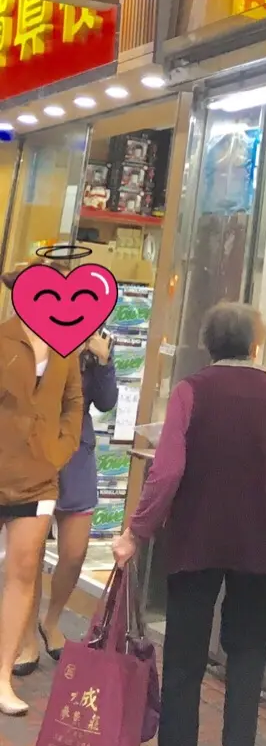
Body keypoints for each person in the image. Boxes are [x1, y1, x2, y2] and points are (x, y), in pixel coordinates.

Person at [112, 302, 266, 746]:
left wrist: (136, 532)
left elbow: (166, 472)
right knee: (247, 656)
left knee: (184, 658)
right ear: (255, 344)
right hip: (263, 543)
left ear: (207, 344)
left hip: (196, 539)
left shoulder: (191, 391)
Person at [0, 270, 83, 716]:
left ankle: (2, 676)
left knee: (23, 571)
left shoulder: (66, 347)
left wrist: (63, 447)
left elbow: (74, 401)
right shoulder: (3, 339)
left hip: (39, 476)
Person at [16, 330, 118, 672]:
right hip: (33, 451)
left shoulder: (99, 340)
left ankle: (52, 619)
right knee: (30, 553)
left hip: (76, 456)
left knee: (74, 553)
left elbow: (106, 402)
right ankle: (27, 638)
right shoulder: (31, 337)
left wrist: (103, 360)